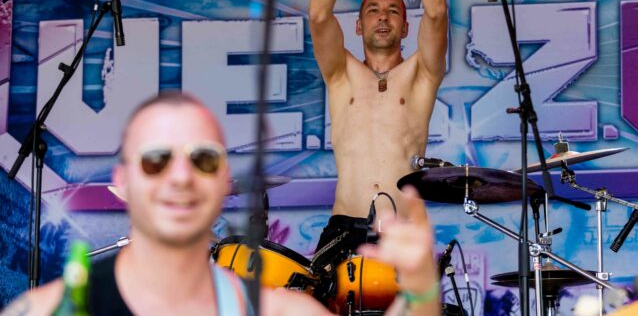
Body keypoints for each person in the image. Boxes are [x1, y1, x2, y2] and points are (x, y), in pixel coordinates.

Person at [2, 92, 441, 316]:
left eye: (203, 159)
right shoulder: (45, 310)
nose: (180, 175)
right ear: (122, 183)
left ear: (223, 184)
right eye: (156, 159)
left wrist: (421, 286)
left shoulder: (281, 311)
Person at [308, 0, 448, 265]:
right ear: (358, 25)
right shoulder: (341, 73)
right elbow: (318, 14)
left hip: (401, 229)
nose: (382, 17)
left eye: (393, 11)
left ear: (406, 27)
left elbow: (437, 10)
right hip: (343, 229)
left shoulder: (422, 74)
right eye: (372, 10)